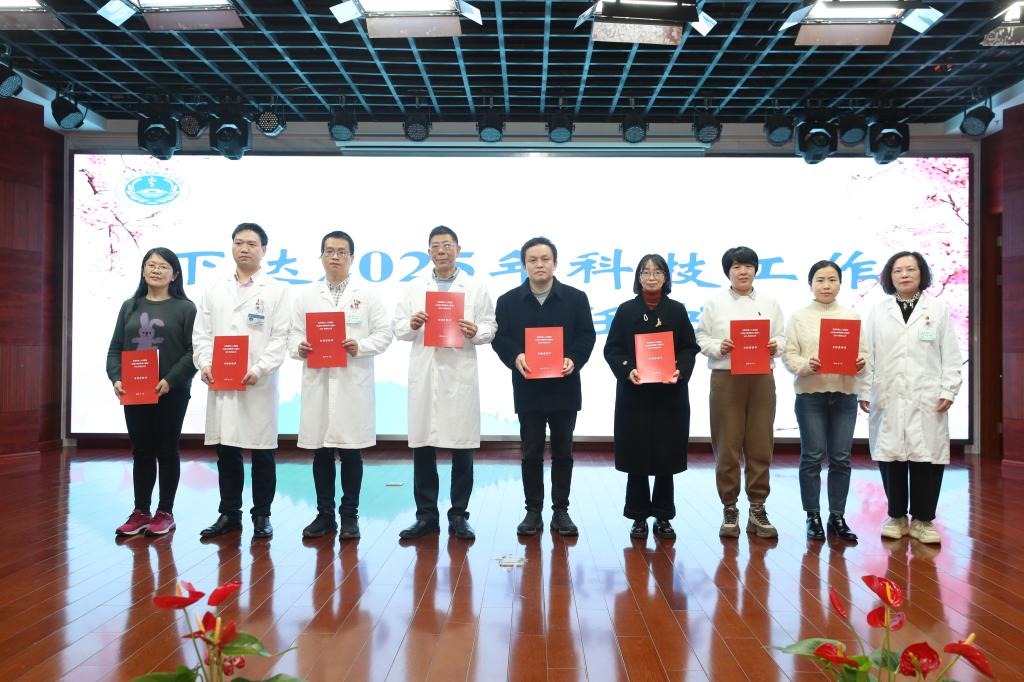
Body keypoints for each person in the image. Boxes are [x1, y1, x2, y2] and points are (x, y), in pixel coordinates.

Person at [392, 225, 496, 541]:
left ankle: (459, 515)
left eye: (447, 245)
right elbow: (398, 327)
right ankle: (426, 516)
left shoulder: (474, 287)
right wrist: (411, 324)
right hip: (426, 374)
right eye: (435, 246)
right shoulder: (414, 288)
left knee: (462, 448)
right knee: (423, 447)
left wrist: (475, 331)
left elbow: (490, 327)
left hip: (459, 373)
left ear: (458, 250)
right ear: (428, 252)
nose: (441, 251)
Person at [289, 230, 392, 540]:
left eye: (341, 251)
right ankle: (324, 515)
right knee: (320, 453)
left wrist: (360, 346)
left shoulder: (368, 296)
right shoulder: (306, 296)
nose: (335, 256)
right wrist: (299, 347)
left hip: (352, 382)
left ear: (352, 257)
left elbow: (384, 334)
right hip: (319, 382)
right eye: (329, 251)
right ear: (321, 256)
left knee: (350, 453)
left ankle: (349, 516)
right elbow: (292, 334)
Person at [492, 236, 596, 537]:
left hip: (564, 386)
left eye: (545, 259)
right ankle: (533, 510)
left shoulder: (576, 298)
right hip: (528, 387)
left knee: (563, 451)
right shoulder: (508, 301)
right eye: (533, 260)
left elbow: (586, 335)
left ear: (555, 263)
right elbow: (501, 339)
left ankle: (561, 510)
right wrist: (516, 355)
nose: (539, 264)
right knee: (531, 451)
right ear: (524, 265)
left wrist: (573, 358)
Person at [192, 223, 290, 539]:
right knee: (227, 450)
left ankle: (262, 515)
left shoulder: (277, 290)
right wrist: (205, 363)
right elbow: (202, 333)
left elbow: (280, 337)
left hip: (257, 382)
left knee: (262, 452)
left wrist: (260, 369)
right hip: (222, 381)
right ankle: (229, 514)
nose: (244, 248)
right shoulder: (214, 289)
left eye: (251, 243)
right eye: (238, 242)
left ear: (264, 249)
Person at [859, 251, 962, 545]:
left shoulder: (937, 310)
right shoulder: (879, 312)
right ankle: (896, 517)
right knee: (891, 455)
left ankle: (923, 520)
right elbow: (867, 354)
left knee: (926, 457)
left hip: (927, 395)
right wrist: (864, 390)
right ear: (889, 277)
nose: (904, 275)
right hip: (888, 394)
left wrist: (948, 389)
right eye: (898, 270)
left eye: (910, 269)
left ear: (921, 274)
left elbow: (950, 354)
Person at [603, 254, 699, 540]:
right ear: (639, 277)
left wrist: (680, 370)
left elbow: (689, 347)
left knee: (666, 457)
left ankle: (664, 516)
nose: (652, 277)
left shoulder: (677, 310)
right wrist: (627, 369)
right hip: (635, 395)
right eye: (646, 272)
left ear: (666, 277)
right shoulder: (626, 310)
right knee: (637, 457)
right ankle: (638, 516)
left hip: (670, 394)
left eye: (657, 272)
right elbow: (612, 349)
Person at [695, 246, 785, 539]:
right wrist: (718, 346)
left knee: (760, 445)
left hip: (761, 379)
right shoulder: (714, 303)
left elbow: (782, 337)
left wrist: (776, 345)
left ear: (756, 270)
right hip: (726, 378)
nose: (743, 271)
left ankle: (757, 508)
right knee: (727, 446)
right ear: (728, 272)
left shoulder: (770, 302)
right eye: (736, 267)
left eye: (748, 266)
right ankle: (729, 508)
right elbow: (701, 337)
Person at [107, 248, 197, 536]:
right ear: (143, 270)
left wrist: (170, 380)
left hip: (172, 391)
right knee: (142, 451)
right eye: (150, 265)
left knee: (167, 450)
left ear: (175, 274)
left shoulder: (186, 308)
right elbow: (115, 349)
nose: (156, 270)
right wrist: (116, 378)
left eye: (163, 266)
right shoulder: (129, 306)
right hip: (135, 391)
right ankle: (141, 511)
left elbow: (194, 352)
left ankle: (165, 512)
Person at [782, 260, 866, 542]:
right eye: (820, 280)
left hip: (845, 394)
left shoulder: (851, 316)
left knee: (841, 458)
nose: (826, 286)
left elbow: (866, 355)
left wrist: (861, 362)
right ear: (811, 285)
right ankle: (813, 516)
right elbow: (789, 356)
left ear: (840, 283)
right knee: (812, 456)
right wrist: (807, 365)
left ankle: (837, 516)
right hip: (811, 395)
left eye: (832, 280)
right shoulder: (798, 317)